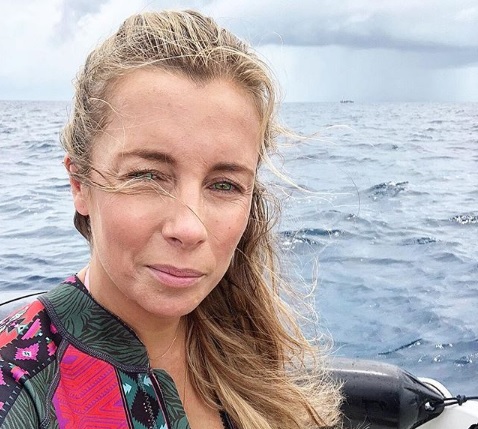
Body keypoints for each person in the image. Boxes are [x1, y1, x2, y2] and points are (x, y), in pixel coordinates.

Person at [0, 10, 341, 429]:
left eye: (224, 185)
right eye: (147, 176)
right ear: (80, 184)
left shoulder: (239, 343)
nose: (189, 228)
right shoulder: (17, 385)